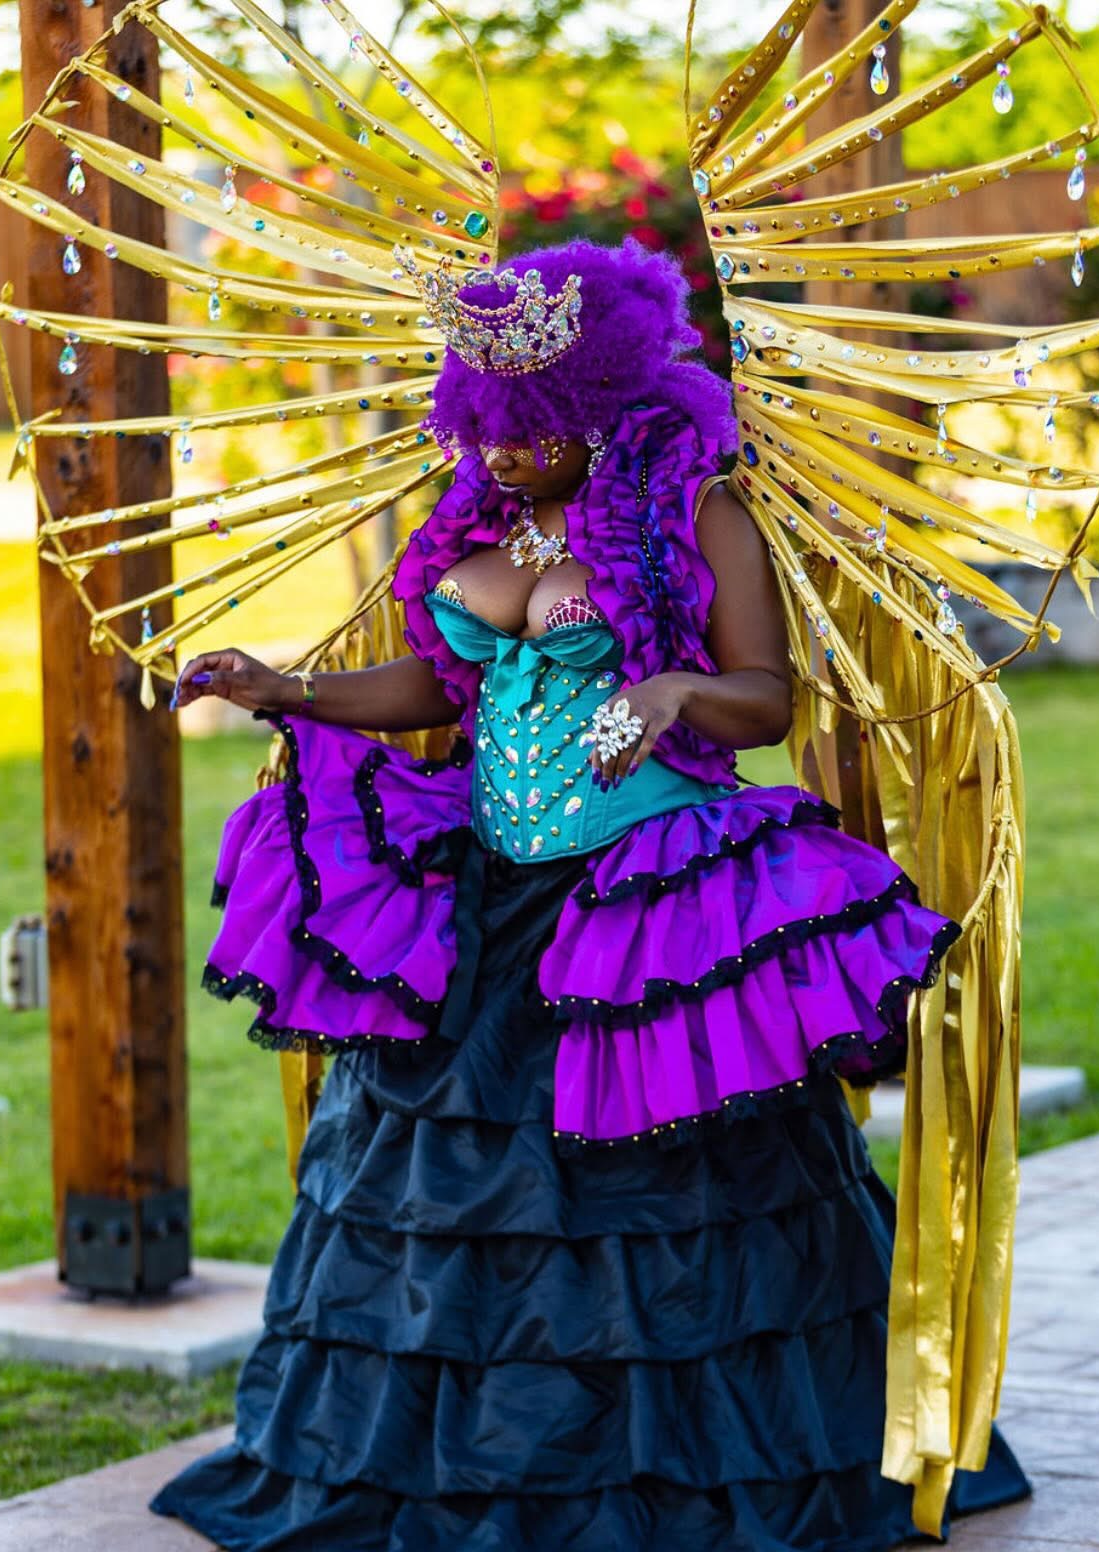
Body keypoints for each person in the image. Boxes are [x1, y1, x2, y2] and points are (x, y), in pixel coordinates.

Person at [149, 237, 1031, 1550]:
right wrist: (290, 689)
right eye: (486, 426)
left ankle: (688, 1478)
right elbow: (437, 690)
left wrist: (670, 693)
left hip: (648, 903)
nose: (503, 454)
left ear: (606, 404)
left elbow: (766, 698)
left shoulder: (698, 514)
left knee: (665, 1202)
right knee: (438, 1193)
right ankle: (442, 1475)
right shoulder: (476, 520)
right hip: (491, 893)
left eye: (534, 428)